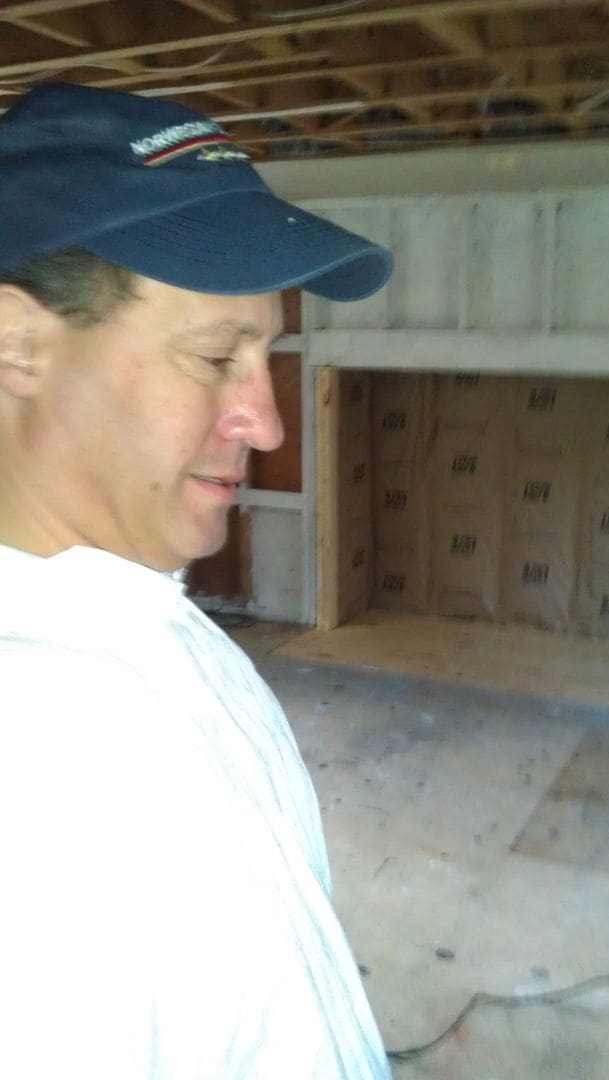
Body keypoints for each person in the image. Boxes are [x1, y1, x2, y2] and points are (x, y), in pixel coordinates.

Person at [0, 83, 393, 1079]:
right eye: (218, 355)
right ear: (16, 345)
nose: (264, 422)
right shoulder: (29, 785)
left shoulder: (159, 630)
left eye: (266, 354)